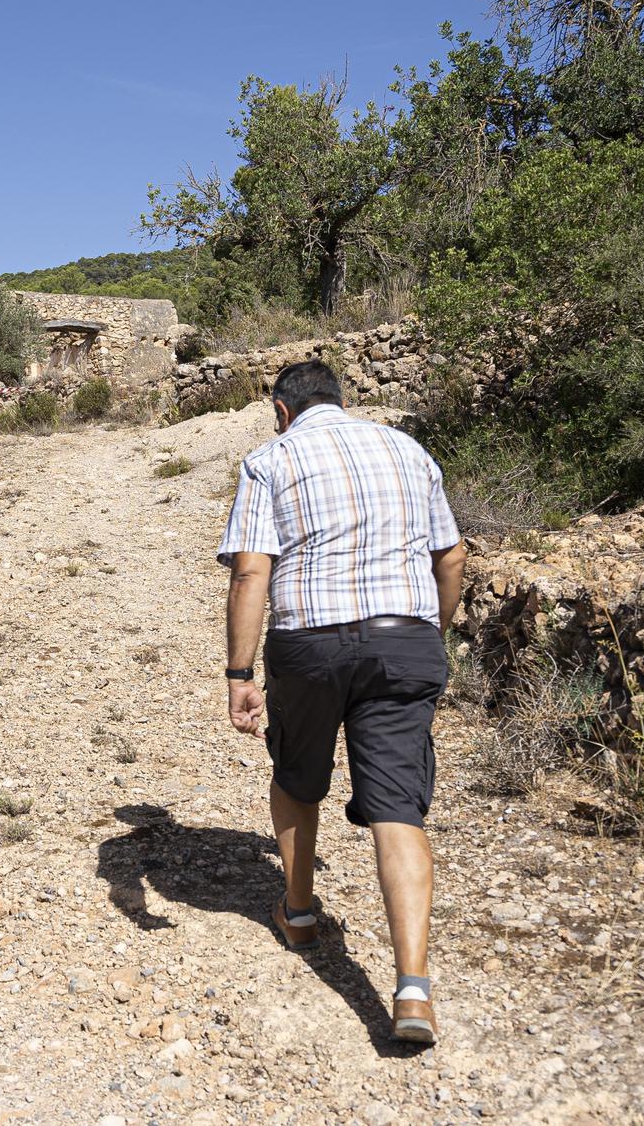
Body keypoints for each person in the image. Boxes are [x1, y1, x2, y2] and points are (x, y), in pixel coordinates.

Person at [217, 358, 465, 1045]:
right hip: (406, 639)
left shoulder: (271, 458)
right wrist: (429, 631)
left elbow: (251, 570)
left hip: (309, 643)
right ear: (343, 399)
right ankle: (413, 986)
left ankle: (298, 912)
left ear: (282, 409)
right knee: (398, 805)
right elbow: (453, 556)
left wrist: (240, 672)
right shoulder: (410, 450)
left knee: (298, 775)